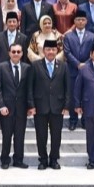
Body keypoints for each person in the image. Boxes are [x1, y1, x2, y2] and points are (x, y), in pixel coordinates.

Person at [29, 39, 71, 170]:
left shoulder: (63, 66)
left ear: (56, 51)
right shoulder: (36, 65)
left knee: (56, 135)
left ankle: (54, 159)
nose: (51, 52)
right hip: (40, 106)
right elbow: (30, 87)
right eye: (48, 49)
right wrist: (31, 106)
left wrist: (66, 106)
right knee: (41, 135)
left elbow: (68, 88)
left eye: (53, 50)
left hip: (57, 107)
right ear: (43, 51)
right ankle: (42, 159)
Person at [0, 43, 33, 169]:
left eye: (18, 52)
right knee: (6, 135)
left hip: (21, 108)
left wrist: (30, 106)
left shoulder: (27, 67)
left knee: (20, 136)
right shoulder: (1, 67)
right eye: (13, 52)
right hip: (7, 108)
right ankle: (5, 159)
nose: (16, 54)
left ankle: (18, 160)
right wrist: (1, 105)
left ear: (22, 54)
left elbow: (29, 89)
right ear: (9, 53)